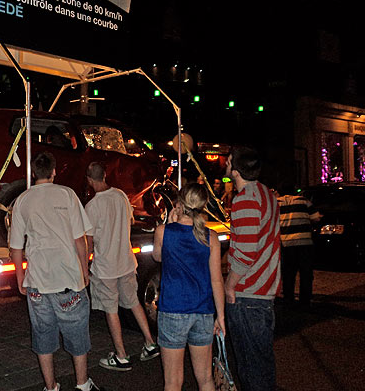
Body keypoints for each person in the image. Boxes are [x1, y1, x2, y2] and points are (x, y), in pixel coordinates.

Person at [9, 152, 104, 391]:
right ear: (53, 172)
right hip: (68, 279)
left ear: (33, 173)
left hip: (38, 283)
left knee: (43, 337)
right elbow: (79, 240)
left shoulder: (22, 200)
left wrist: (21, 278)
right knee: (77, 335)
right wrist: (84, 271)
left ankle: (51, 386)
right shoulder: (67, 194)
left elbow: (16, 248)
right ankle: (82, 384)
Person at [84, 162, 159, 371]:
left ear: (89, 180)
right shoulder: (121, 196)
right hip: (126, 261)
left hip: (106, 267)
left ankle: (121, 355)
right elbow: (130, 220)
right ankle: (150, 343)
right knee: (134, 302)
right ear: (105, 175)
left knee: (111, 310)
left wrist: (85, 265)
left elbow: (88, 242)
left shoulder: (92, 207)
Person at [152, 183, 226, 391]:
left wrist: (170, 222)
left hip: (173, 310)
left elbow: (158, 257)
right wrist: (220, 316)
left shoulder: (163, 232)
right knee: (205, 379)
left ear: (178, 203)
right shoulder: (210, 237)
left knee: (173, 382)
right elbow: (216, 280)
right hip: (203, 311)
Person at [224, 146, 281, 391]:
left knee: (251, 370)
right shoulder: (266, 193)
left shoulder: (245, 199)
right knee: (262, 366)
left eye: (228, 161)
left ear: (233, 168)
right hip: (263, 291)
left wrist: (229, 284)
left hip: (248, 295)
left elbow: (246, 252)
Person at [276, 185, 322, 307]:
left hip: (286, 243)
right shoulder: (304, 201)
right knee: (305, 272)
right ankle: (305, 300)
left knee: (288, 272)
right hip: (304, 242)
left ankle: (288, 297)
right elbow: (316, 218)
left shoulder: (276, 203)